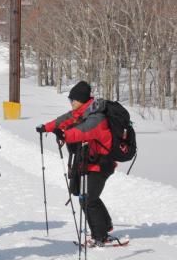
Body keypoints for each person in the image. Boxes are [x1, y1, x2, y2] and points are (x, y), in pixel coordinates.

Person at [36, 80, 118, 247]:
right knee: (88, 196)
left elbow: (83, 131)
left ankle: (100, 236)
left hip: (102, 163)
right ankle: (105, 226)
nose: (71, 102)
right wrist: (46, 127)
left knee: (87, 199)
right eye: (70, 99)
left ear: (81, 100)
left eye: (73, 100)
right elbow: (63, 120)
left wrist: (65, 135)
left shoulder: (96, 117)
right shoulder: (82, 112)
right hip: (91, 161)